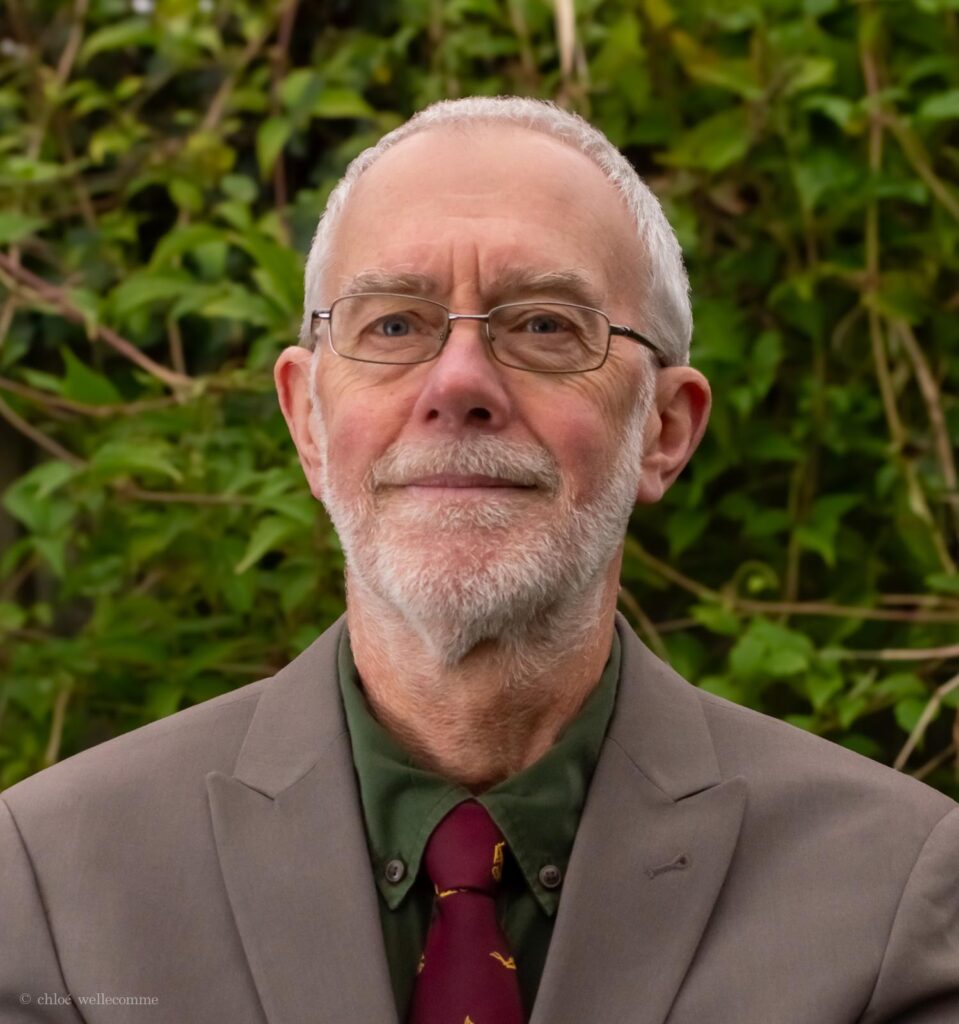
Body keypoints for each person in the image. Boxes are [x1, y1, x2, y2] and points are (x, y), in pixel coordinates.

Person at [2, 96, 957, 1024]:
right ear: (306, 422)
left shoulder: (892, 891)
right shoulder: (48, 879)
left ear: (663, 429)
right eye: (393, 326)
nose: (459, 384)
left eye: (544, 325)